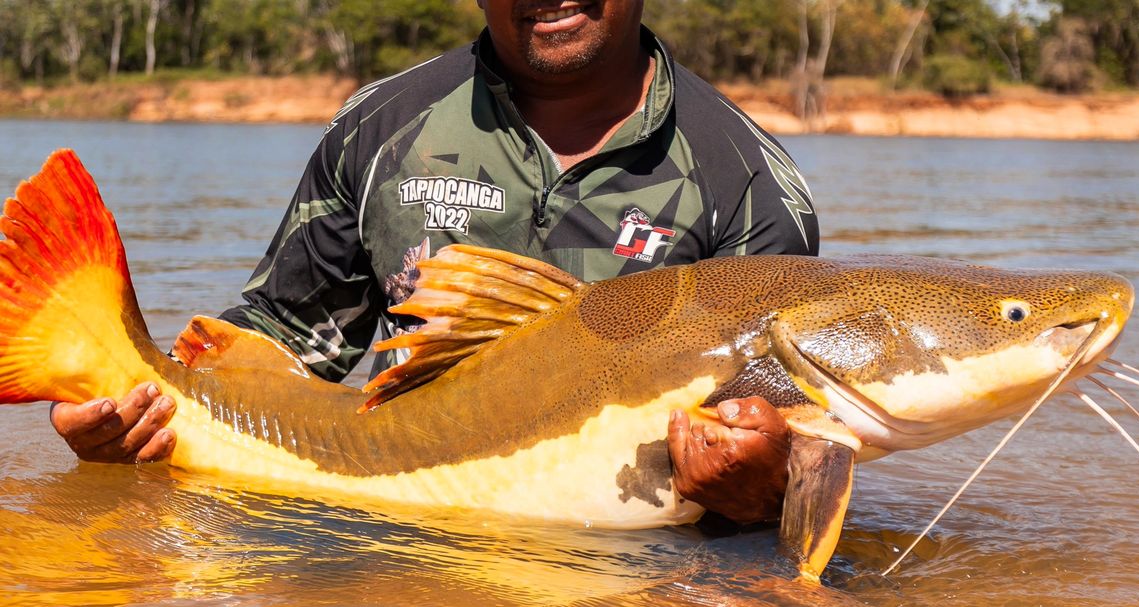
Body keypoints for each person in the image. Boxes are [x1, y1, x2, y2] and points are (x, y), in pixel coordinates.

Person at [50, 0, 819, 526]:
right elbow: (287, 332)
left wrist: (775, 487)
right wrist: (128, 410)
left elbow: (796, 436)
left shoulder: (744, 179)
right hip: (397, 529)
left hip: (633, 571)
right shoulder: (381, 126)